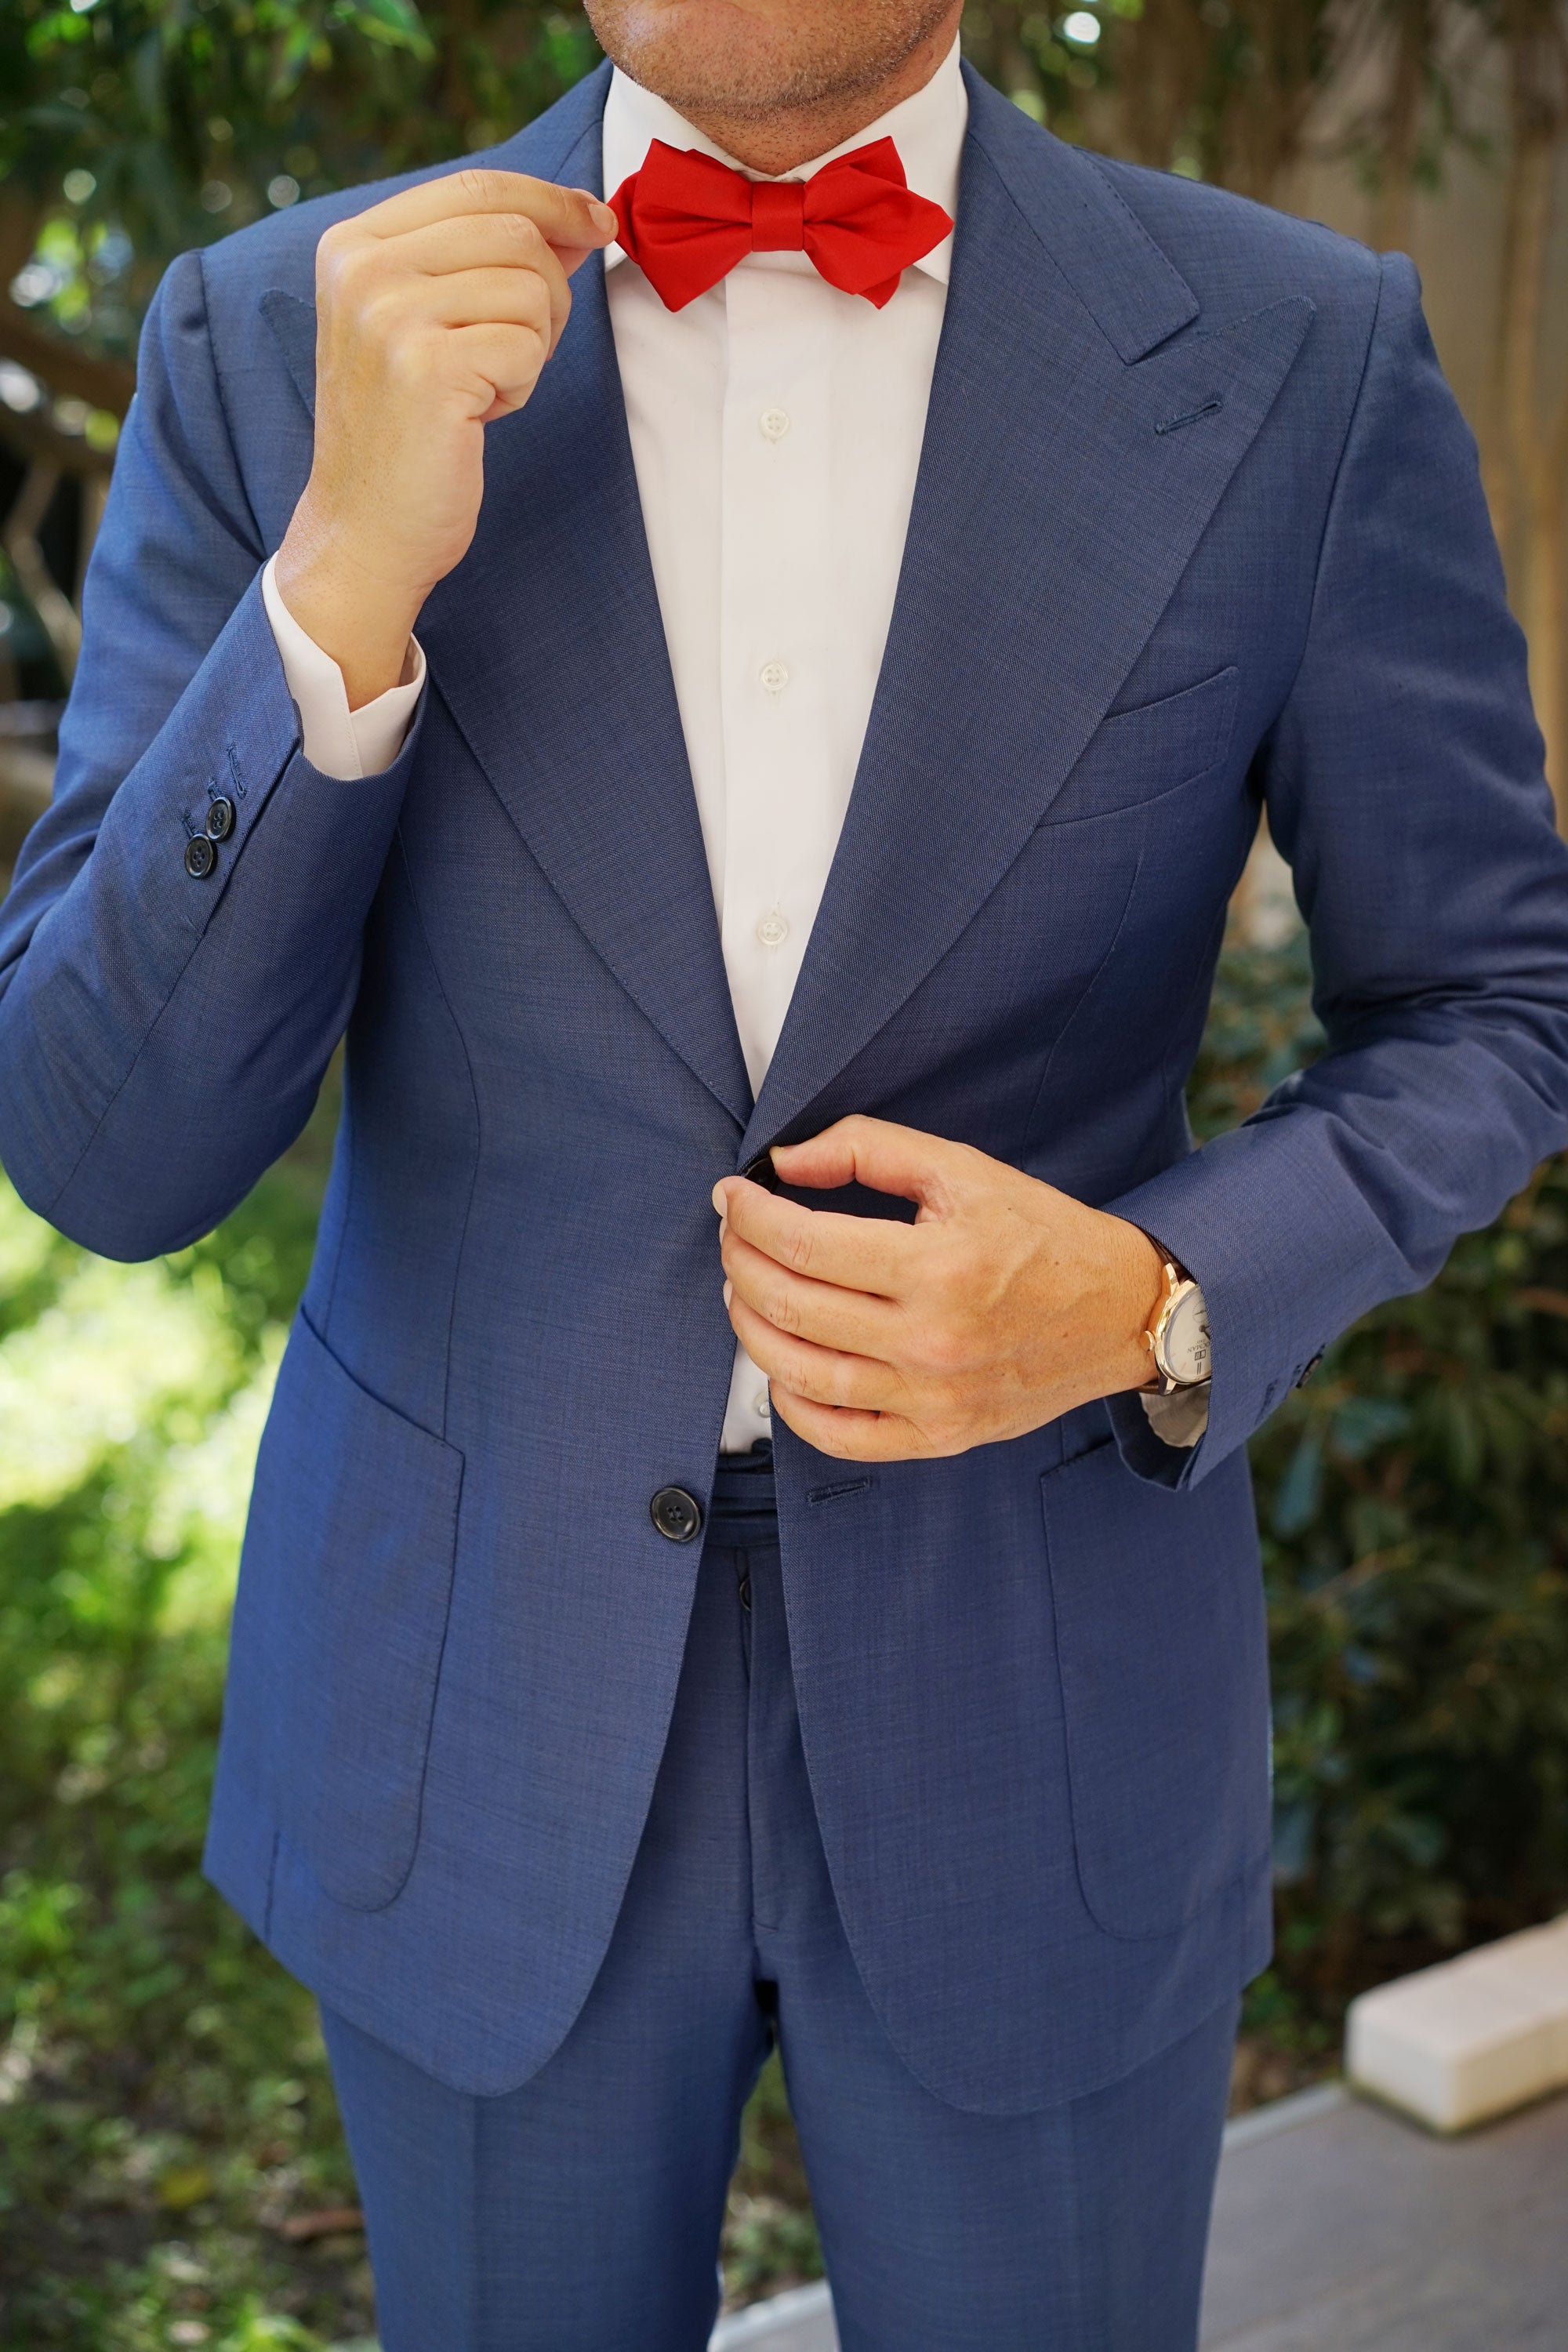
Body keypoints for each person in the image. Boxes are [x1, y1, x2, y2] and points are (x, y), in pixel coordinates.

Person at [2, 0, 1566, 2342]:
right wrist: (337, 581)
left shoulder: (1294, 355)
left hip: (1041, 1702)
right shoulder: (271, 339)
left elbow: (1493, 1008)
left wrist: (1157, 1290)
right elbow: (101, 1151)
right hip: (469, 1700)